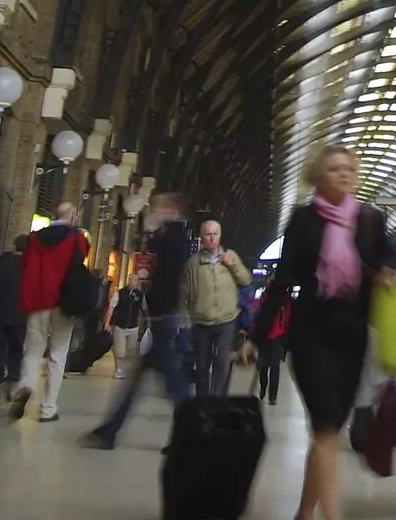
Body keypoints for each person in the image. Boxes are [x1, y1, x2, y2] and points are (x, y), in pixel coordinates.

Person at [242, 145, 395, 520]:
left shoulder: (369, 220)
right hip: (312, 335)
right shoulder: (303, 221)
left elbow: (387, 259)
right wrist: (256, 336)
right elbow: (283, 280)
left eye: (349, 168)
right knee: (326, 430)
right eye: (334, 168)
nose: (344, 174)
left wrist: (387, 276)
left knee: (327, 433)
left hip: (352, 337)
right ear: (318, 175)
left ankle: (305, 515)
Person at [80, 193, 192, 450]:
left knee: (175, 385)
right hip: (162, 316)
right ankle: (110, 432)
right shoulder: (170, 237)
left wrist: (155, 309)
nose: (153, 211)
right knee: (147, 382)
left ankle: (194, 429)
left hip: (163, 318)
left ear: (173, 211)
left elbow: (166, 280)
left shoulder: (173, 239)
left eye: (159, 207)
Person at [9, 203, 89, 423]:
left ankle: (25, 386)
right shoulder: (76, 237)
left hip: (38, 301)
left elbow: (24, 266)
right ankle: (47, 409)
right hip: (64, 302)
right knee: (58, 354)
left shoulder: (34, 239)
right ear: (72, 216)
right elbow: (81, 257)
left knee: (33, 350)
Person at [181, 219, 251, 397]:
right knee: (202, 364)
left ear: (220, 236)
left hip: (226, 320)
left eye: (215, 234)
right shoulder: (192, 264)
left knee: (222, 362)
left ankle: (219, 398)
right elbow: (184, 292)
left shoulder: (231, 256)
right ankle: (203, 399)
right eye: (208, 234)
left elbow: (246, 280)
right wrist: (182, 318)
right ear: (201, 237)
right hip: (201, 321)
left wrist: (232, 264)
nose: (212, 238)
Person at [0, 235, 27, 405]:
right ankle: (11, 384)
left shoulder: (3, 260)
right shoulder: (28, 265)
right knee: (15, 351)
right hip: (18, 314)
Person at [257, 268, 290, 405]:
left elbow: (288, 317)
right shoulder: (264, 297)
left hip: (278, 336)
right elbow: (258, 316)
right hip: (264, 337)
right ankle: (263, 387)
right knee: (263, 367)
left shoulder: (285, 299)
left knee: (275, 367)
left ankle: (273, 396)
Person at [107, 272, 145, 379]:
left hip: (133, 326)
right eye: (135, 280)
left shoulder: (140, 295)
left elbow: (144, 309)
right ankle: (118, 369)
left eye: (138, 280)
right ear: (130, 281)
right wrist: (107, 323)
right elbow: (111, 307)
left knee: (131, 350)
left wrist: (147, 321)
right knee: (119, 349)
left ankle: (124, 368)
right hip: (120, 326)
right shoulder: (120, 293)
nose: (137, 282)